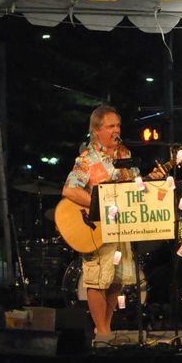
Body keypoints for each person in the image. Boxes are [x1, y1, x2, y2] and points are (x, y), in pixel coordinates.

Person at [61, 105, 154, 338]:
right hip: (97, 229)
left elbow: (135, 187)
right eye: (110, 126)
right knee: (97, 280)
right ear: (96, 131)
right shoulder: (87, 159)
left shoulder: (125, 155)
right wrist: (98, 206)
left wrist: (152, 181)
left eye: (118, 125)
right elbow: (69, 190)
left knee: (116, 280)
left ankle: (105, 327)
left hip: (121, 227)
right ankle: (102, 333)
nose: (116, 130)